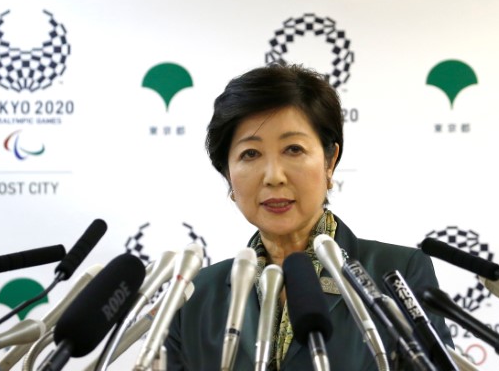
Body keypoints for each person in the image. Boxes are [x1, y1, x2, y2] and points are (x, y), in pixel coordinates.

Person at [166, 64, 452, 370]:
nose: (274, 176)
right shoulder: (194, 295)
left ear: (330, 162)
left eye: (293, 149)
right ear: (228, 174)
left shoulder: (397, 273)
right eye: (250, 154)